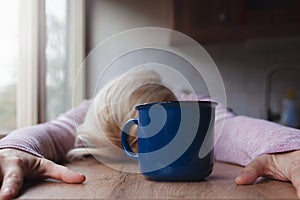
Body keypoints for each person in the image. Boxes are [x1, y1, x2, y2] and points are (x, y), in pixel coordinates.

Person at [0, 70, 300, 200]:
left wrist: (286, 148)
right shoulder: (89, 112)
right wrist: (15, 148)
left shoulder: (190, 106)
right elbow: (51, 131)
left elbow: (232, 129)